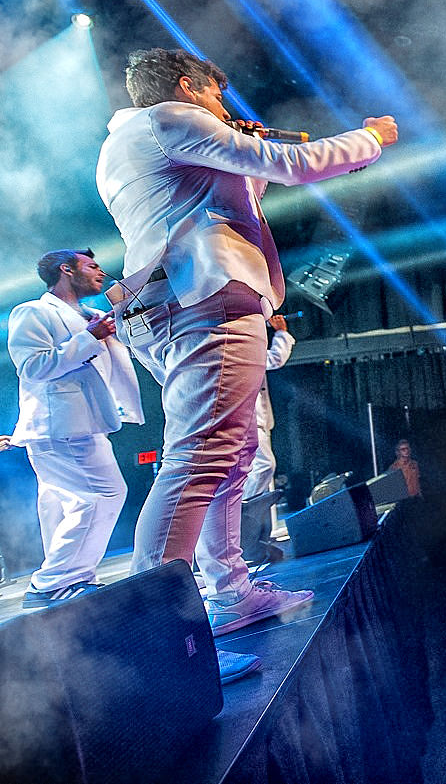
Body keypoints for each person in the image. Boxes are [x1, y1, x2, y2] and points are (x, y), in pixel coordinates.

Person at [96, 49, 396, 679]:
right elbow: (289, 163)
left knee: (227, 452)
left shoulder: (132, 141)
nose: (222, 109)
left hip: (182, 302)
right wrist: (369, 139)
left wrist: (241, 161)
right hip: (205, 300)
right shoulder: (168, 119)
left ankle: (228, 590)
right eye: (215, 96)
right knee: (200, 455)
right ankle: (157, 641)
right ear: (184, 87)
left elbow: (215, 203)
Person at [8, 249, 143, 608]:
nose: (101, 272)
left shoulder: (95, 316)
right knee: (103, 495)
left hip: (84, 423)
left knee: (61, 507)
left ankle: (68, 584)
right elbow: (34, 367)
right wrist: (88, 337)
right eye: (92, 266)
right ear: (66, 270)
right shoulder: (33, 312)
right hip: (61, 424)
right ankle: (52, 583)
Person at [243, 314, 295, 501]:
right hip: (249, 421)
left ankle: (256, 517)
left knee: (260, 471)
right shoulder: (238, 348)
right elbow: (275, 358)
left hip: (257, 421)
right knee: (265, 466)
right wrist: (281, 332)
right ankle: (243, 508)